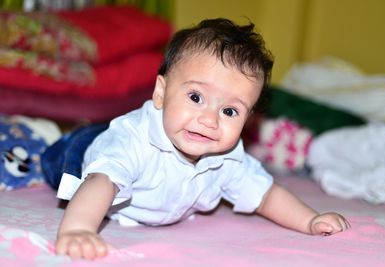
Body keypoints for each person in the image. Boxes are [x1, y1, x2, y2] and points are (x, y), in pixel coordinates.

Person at [50, 18, 350, 260]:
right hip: (86, 151)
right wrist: (78, 229)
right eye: (196, 97)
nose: (209, 120)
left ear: (247, 120)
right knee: (56, 159)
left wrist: (310, 221)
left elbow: (267, 195)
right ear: (160, 92)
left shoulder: (227, 156)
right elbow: (100, 182)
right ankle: (48, 135)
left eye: (230, 110)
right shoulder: (131, 142)